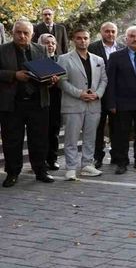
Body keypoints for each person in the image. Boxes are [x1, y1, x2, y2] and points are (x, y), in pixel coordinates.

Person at [0, 20, 59, 187]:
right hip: (12, 104)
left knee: (39, 139)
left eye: (26, 33)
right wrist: (14, 75)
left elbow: (47, 73)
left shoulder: (41, 49)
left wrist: (52, 79)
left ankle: (40, 171)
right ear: (12, 33)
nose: (22, 36)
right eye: (18, 32)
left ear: (32, 35)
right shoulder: (2, 50)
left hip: (38, 102)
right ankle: (12, 173)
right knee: (12, 140)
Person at [104, 26, 136, 174]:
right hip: (123, 103)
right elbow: (110, 81)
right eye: (132, 36)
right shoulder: (116, 57)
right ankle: (122, 162)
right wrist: (111, 103)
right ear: (126, 39)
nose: (135, 39)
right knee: (121, 135)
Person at [58, 28, 106, 180]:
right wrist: (80, 93)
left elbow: (104, 80)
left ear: (89, 39)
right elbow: (62, 81)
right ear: (73, 40)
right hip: (73, 104)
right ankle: (71, 168)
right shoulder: (64, 59)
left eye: (85, 38)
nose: (82, 41)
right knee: (71, 139)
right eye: (79, 38)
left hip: (93, 104)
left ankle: (87, 165)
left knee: (90, 138)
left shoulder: (98, 60)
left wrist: (97, 94)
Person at [89, 22, 124, 168]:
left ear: (117, 32)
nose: (110, 34)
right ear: (101, 32)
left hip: (117, 95)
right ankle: (98, 157)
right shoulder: (92, 48)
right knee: (98, 127)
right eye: (107, 31)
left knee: (117, 127)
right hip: (99, 94)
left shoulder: (122, 48)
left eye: (113, 31)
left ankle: (116, 155)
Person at [38, 33, 62, 171]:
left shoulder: (61, 60)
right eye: (47, 43)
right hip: (39, 100)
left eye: (53, 43)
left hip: (56, 100)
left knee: (54, 130)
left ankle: (52, 159)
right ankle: (40, 160)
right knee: (40, 132)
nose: (50, 46)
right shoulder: (37, 59)